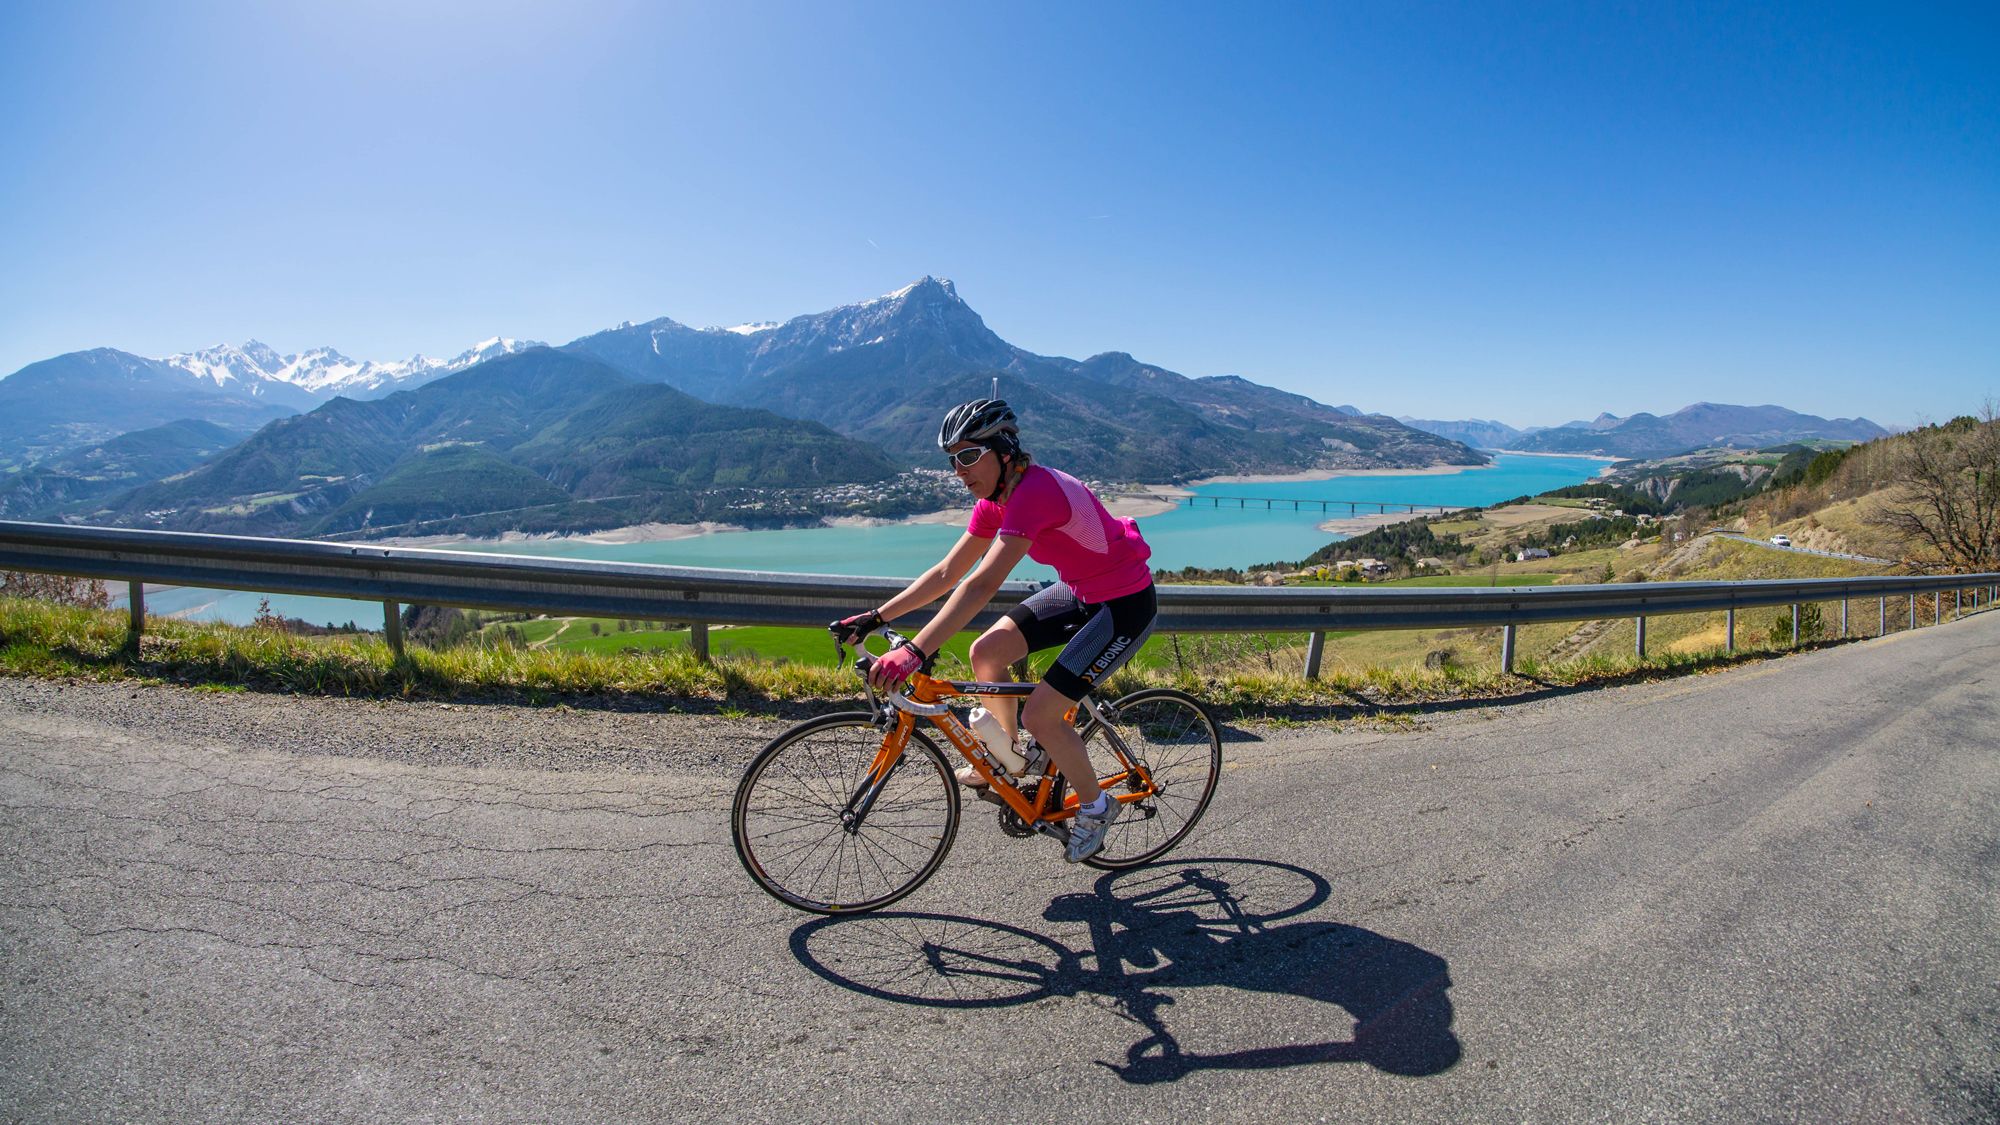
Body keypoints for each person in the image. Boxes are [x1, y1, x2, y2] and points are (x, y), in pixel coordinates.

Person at [831, 399, 1157, 863]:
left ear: (1004, 452)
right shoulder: (993, 503)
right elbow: (948, 573)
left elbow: (981, 585)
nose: (959, 471)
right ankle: (1012, 757)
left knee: (1042, 715)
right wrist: (877, 617)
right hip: (1080, 591)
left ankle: (1096, 806)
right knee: (986, 652)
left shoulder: (1036, 492)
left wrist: (916, 651)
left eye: (968, 456)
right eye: (952, 460)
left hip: (1124, 604)